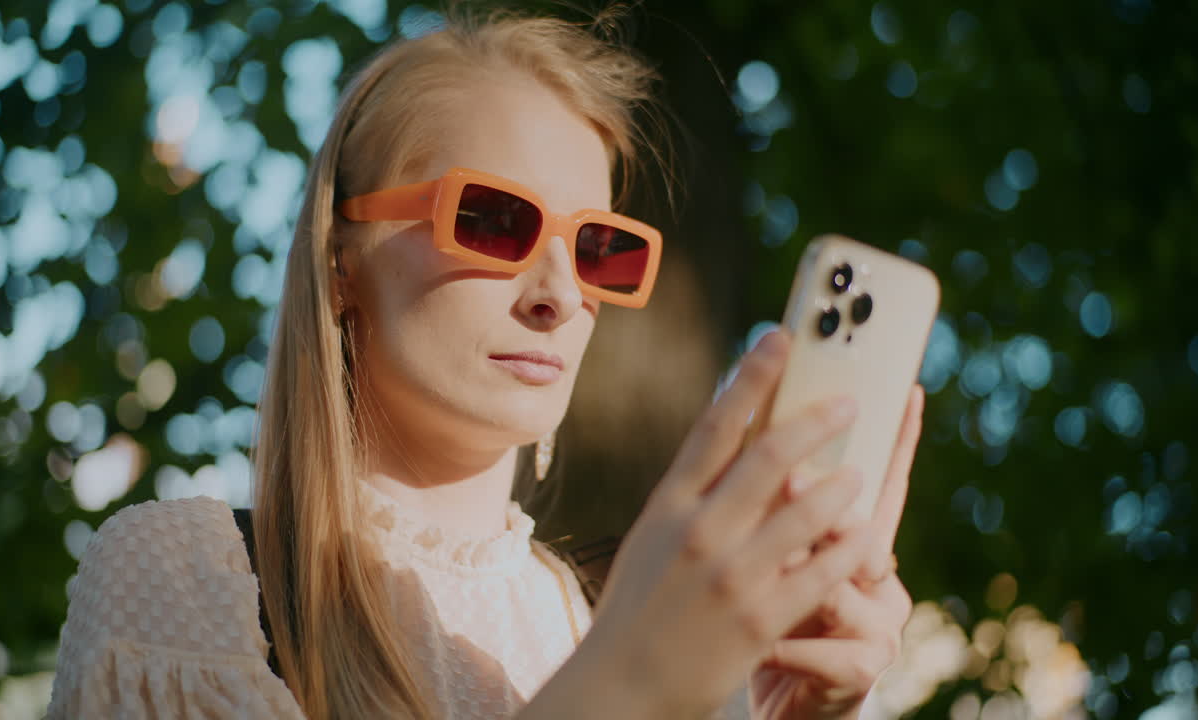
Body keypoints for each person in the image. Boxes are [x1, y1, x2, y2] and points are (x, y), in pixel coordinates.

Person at [47, 5, 922, 719]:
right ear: (341, 265)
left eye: (599, 249)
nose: (561, 294)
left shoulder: (622, 627)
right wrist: (624, 689)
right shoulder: (182, 577)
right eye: (494, 221)